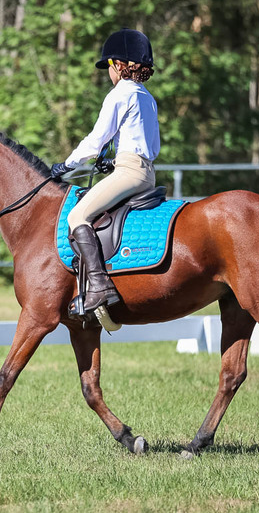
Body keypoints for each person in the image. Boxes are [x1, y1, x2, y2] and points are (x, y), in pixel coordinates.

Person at [51, 28, 160, 313]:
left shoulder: (119, 93)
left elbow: (96, 140)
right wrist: (113, 163)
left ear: (119, 65)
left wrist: (67, 164)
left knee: (77, 216)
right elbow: (150, 145)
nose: (108, 73)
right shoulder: (147, 97)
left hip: (130, 172)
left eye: (109, 66)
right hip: (146, 172)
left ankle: (99, 287)